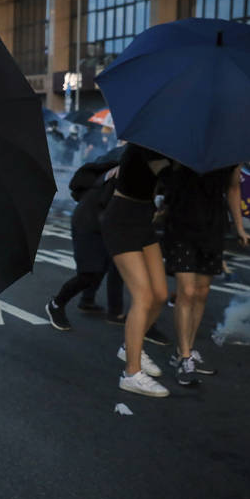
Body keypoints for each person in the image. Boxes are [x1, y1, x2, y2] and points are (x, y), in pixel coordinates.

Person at [161, 164, 249, 385]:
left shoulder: (230, 153)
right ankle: (184, 356)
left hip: (213, 226)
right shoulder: (184, 145)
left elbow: (234, 188)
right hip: (182, 224)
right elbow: (167, 181)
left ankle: (186, 350)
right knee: (187, 292)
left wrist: (239, 226)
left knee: (201, 293)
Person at [100, 143, 172, 397]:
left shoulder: (169, 147)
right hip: (122, 219)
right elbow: (169, 181)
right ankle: (131, 373)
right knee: (143, 297)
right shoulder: (147, 144)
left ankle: (130, 346)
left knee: (161, 295)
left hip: (143, 219)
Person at [45, 159, 125, 330]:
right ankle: (56, 304)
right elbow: (107, 201)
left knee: (102, 267)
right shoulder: (126, 166)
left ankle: (87, 301)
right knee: (89, 273)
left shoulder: (125, 163)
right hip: (89, 222)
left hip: (102, 222)